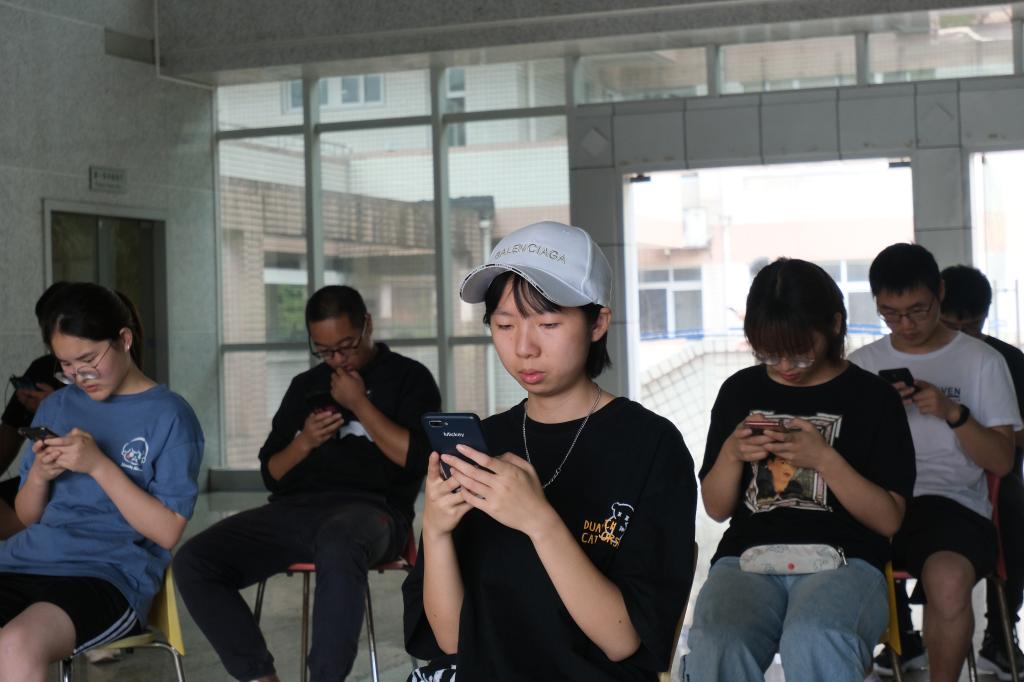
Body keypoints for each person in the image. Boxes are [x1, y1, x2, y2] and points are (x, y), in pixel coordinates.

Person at [402, 220, 697, 682]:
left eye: (548, 323)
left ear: (598, 323)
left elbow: (622, 640)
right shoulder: (482, 446)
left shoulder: (652, 447)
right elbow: (452, 641)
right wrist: (436, 530)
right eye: (504, 325)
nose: (524, 347)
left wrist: (538, 520)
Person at [174, 284, 441, 682]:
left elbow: (419, 459)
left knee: (339, 540)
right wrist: (305, 442)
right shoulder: (305, 386)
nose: (337, 359)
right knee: (194, 560)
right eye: (325, 351)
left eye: (346, 347)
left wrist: (359, 404)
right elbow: (272, 474)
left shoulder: (409, 378)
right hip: (295, 511)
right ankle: (260, 677)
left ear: (367, 325)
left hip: (375, 513)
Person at [682, 258, 915, 682]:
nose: (786, 366)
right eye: (769, 353)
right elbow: (716, 509)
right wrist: (732, 454)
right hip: (748, 558)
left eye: (799, 351)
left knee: (816, 635)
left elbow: (889, 520)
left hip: (845, 559)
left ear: (834, 325)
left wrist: (824, 458)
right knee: (718, 640)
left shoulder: (873, 398)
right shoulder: (740, 390)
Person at [0, 282, 204, 682]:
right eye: (66, 365)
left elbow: (167, 532)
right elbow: (25, 516)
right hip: (24, 561)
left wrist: (99, 466)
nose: (81, 375)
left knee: (15, 645)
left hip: (105, 575)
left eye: (88, 359)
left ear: (124, 340)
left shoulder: (170, 416)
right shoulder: (56, 405)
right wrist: (39, 475)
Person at [850, 244, 1021, 682]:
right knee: (824, 577)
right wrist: (879, 414)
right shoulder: (862, 365)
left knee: (948, 581)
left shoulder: (983, 361)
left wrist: (953, 413)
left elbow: (1003, 462)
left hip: (950, 503)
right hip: (872, 502)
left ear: (939, 293)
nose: (906, 325)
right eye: (891, 314)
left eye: (918, 311)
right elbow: (842, 456)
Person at [941, 264, 1024, 678]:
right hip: (932, 476)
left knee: (1014, 507)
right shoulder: (918, 359)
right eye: (951, 326)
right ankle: (901, 636)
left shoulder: (1006, 361)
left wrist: (982, 430)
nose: (962, 335)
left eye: (971, 327)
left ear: (985, 318)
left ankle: (1000, 633)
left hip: (995, 474)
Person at [0, 281, 69, 538]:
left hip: (75, 483)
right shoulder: (43, 368)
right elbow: (8, 436)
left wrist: (55, 406)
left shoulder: (95, 377)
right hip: (38, 478)